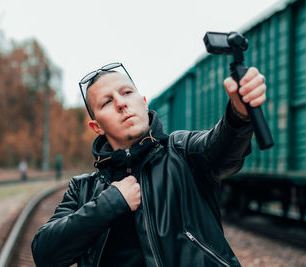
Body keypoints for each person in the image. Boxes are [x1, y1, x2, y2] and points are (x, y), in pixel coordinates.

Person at [32, 62, 267, 267]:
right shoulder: (82, 189)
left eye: (126, 92)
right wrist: (111, 203)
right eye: (106, 102)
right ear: (97, 127)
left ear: (143, 103)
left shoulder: (182, 152)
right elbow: (44, 254)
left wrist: (238, 114)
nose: (121, 103)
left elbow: (221, 147)